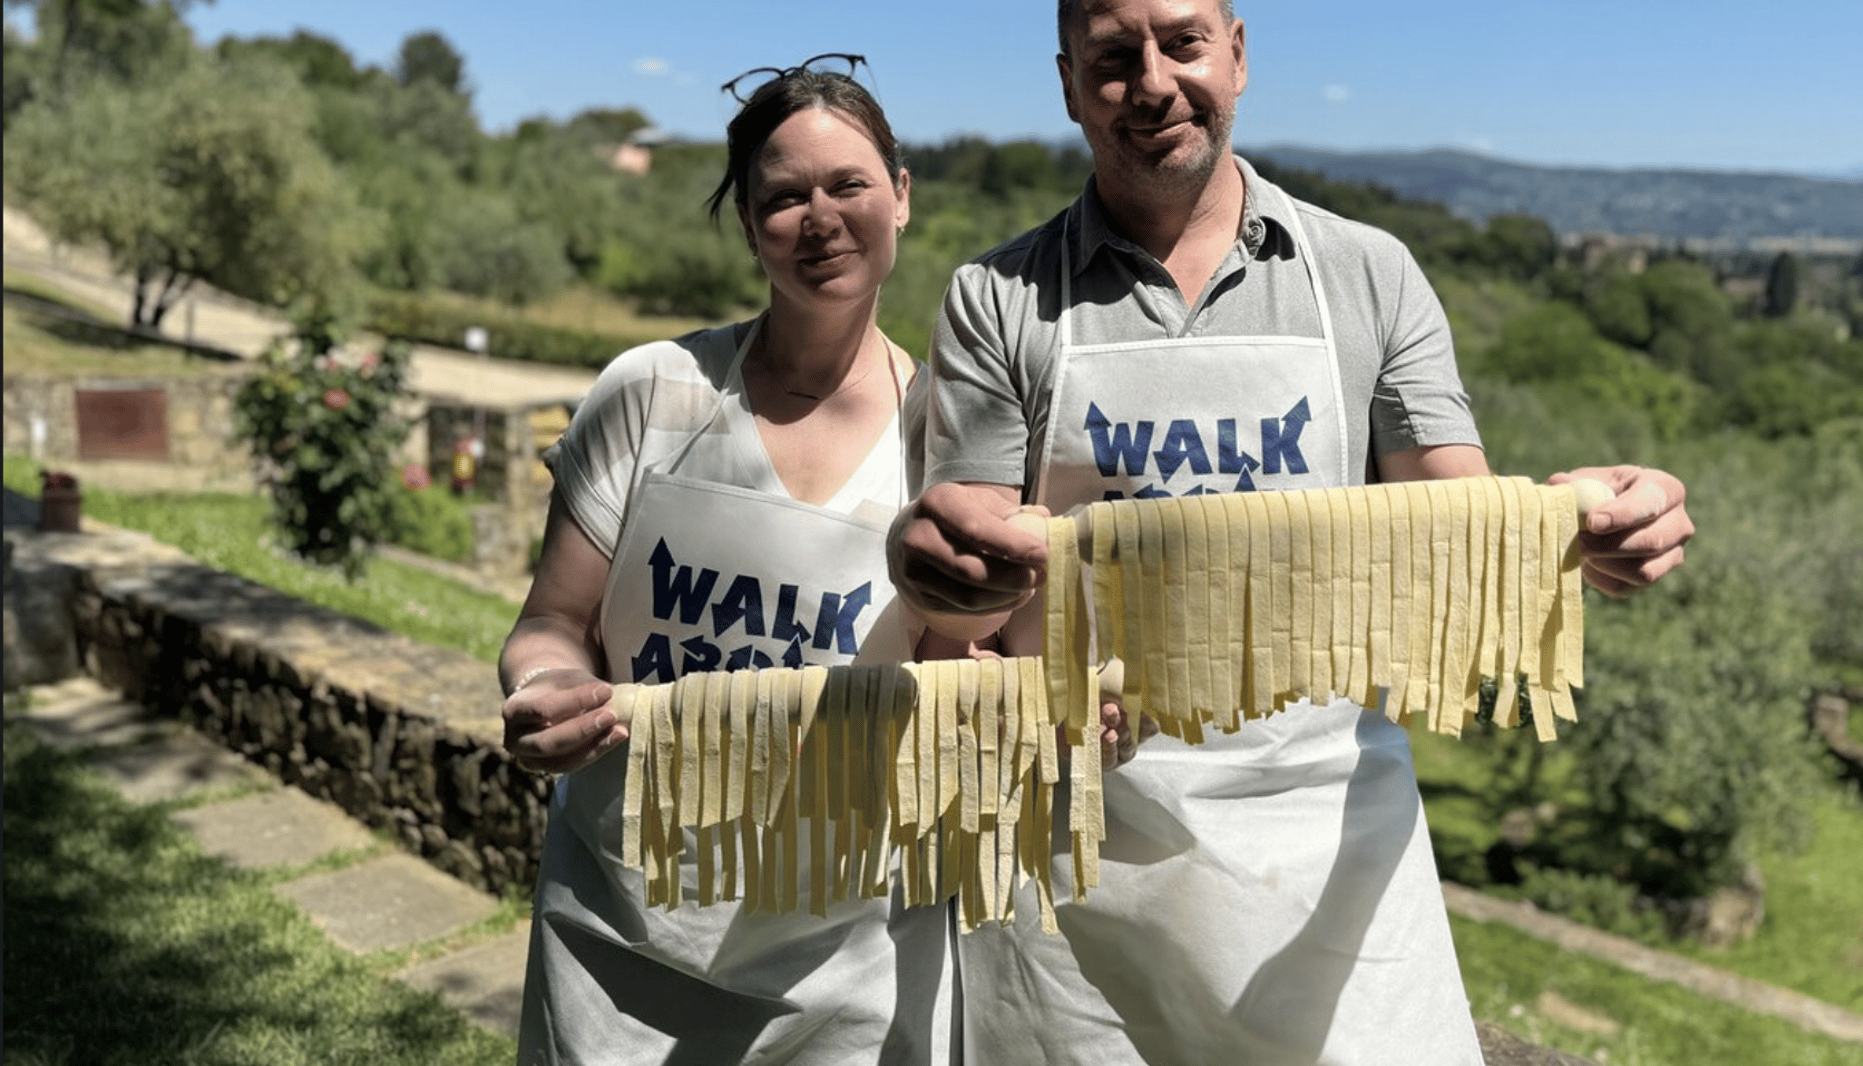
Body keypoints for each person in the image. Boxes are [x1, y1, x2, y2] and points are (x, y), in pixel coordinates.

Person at [887, 1, 1696, 1063]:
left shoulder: (1367, 274)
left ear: (1236, 53)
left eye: (1183, 42)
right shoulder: (995, 299)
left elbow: (1454, 526)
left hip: (1327, 855)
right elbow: (968, 596)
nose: (1153, 83)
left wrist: (1577, 527)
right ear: (1069, 83)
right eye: (1114, 57)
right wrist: (948, 590)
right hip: (1075, 853)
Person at [497, 55, 958, 1065]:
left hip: (847, 961)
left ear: (901, 195)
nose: (819, 218)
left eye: (848, 185)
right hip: (619, 927)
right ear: (749, 225)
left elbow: (965, 682)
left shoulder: (949, 442)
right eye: (784, 197)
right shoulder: (652, 393)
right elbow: (553, 623)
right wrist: (542, 686)